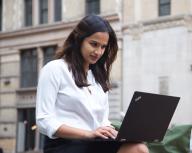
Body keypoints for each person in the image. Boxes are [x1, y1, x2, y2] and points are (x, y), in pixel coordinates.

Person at [36, 15, 149, 153]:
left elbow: (103, 122)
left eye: (103, 47)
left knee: (139, 148)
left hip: (94, 142)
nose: (99, 52)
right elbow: (43, 120)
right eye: (94, 44)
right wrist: (88, 133)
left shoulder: (98, 78)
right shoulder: (54, 69)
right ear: (79, 40)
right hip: (64, 144)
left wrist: (122, 134)